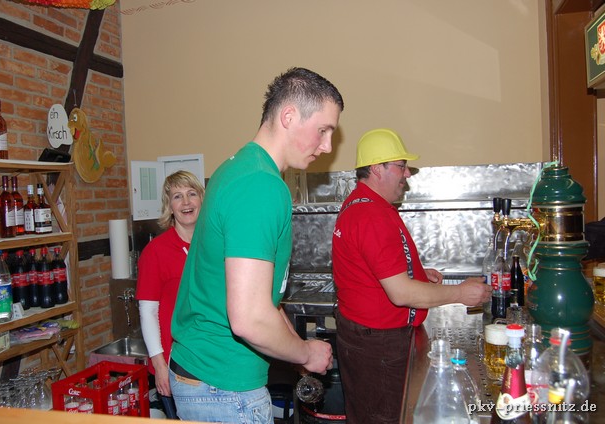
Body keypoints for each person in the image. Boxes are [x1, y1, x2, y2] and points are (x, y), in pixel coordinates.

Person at [169, 67, 344, 423]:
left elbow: (261, 299)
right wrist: (306, 353)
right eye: (323, 130)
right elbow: (249, 318)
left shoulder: (237, 168)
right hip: (223, 388)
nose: (327, 146)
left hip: (203, 374)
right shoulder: (261, 186)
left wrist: (294, 350)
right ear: (289, 116)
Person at [331, 128, 491, 424]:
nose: (407, 173)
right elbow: (402, 293)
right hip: (379, 345)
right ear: (377, 169)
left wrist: (415, 271)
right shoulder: (372, 215)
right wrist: (460, 293)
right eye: (401, 166)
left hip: (366, 338)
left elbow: (373, 265)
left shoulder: (362, 204)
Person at [136, 170, 204, 419]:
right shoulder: (156, 251)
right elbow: (148, 312)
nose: (186, 202)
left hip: (210, 360)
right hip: (175, 364)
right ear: (169, 206)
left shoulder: (213, 245)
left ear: (201, 199)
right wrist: (159, 364)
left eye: (191, 194)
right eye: (177, 196)